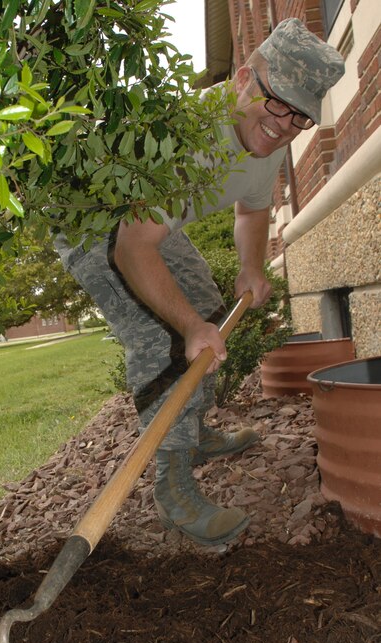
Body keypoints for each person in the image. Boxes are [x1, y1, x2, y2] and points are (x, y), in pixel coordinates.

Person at [54, 18, 345, 554]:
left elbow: (253, 206)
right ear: (241, 80)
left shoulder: (276, 135)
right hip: (96, 224)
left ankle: (194, 433)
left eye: (300, 115)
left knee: (207, 305)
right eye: (277, 102)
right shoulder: (184, 138)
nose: (284, 125)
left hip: (149, 223)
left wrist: (251, 269)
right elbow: (131, 247)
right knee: (159, 338)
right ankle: (173, 486)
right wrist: (187, 326)